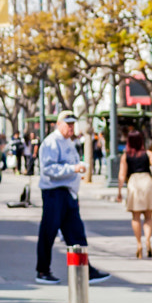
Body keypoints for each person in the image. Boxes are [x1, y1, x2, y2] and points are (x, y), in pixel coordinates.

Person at [34, 111, 109, 284]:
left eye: (73, 124)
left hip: (68, 192)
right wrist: (73, 169)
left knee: (76, 233)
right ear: (58, 124)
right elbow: (48, 169)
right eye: (68, 124)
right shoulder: (51, 142)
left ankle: (84, 269)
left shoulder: (68, 142)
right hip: (54, 192)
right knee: (49, 231)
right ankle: (43, 270)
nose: (71, 128)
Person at [119, 130, 152, 258]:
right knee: (148, 216)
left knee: (135, 216)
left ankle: (139, 244)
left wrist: (119, 191)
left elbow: (122, 174)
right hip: (147, 182)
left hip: (134, 183)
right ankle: (147, 240)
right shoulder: (148, 153)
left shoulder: (126, 156)